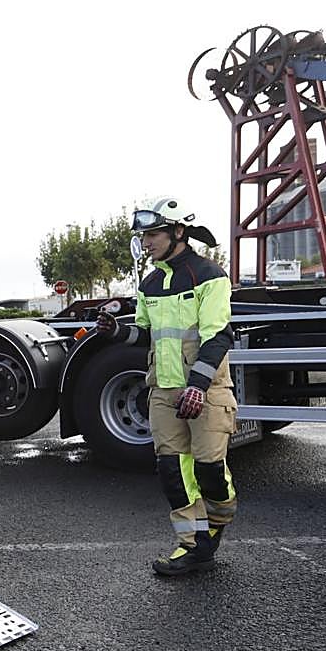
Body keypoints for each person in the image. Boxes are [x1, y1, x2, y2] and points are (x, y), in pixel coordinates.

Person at [97, 197, 238, 576]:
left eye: (153, 234)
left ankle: (219, 519)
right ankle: (193, 546)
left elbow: (218, 336)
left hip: (204, 389)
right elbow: (145, 334)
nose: (147, 242)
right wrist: (117, 331)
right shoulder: (150, 283)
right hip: (163, 390)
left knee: (209, 469)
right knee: (173, 471)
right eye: (143, 236)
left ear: (179, 232)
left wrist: (197, 386)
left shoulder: (209, 274)